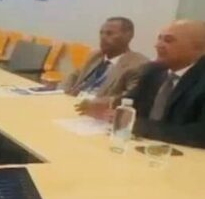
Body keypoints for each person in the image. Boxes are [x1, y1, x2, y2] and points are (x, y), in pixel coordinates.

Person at [85, 20, 205, 148]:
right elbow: (133, 100)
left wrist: (136, 125)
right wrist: (109, 105)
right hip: (141, 147)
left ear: (199, 49)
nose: (158, 45)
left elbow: (200, 134)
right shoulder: (153, 70)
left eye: (168, 40)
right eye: (159, 39)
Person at [66, 17, 148, 110]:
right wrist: (66, 93)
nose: (103, 37)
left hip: (97, 111)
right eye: (101, 33)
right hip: (72, 104)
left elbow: (130, 97)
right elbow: (74, 76)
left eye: (109, 33)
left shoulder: (138, 64)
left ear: (128, 36)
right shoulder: (95, 56)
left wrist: (100, 102)